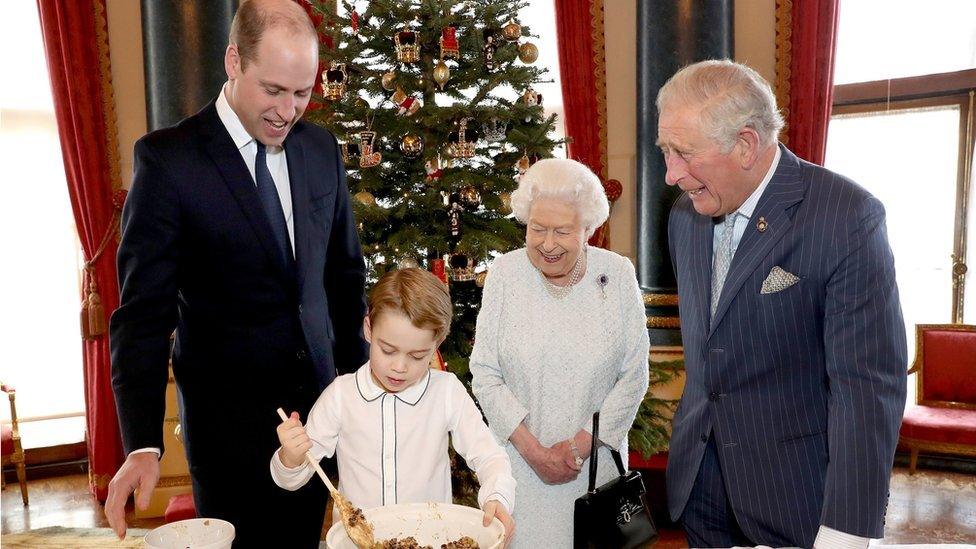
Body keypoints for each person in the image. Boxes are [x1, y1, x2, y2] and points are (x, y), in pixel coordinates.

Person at [104, 1, 369, 546]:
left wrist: (360, 396)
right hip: (229, 434)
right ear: (233, 61)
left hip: (320, 415)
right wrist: (141, 442)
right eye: (272, 90)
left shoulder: (320, 150)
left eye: (301, 93)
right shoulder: (169, 162)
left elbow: (344, 283)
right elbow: (143, 316)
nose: (287, 111)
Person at [658, 59, 907, 548]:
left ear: (746, 144)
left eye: (683, 154)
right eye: (665, 151)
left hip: (795, 500)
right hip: (700, 486)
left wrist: (846, 530)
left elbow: (867, 387)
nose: (670, 175)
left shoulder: (846, 217)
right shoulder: (685, 216)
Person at [469, 158, 650, 547]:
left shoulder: (617, 276)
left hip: (594, 474)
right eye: (537, 229)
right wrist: (534, 452)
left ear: (588, 230)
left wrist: (576, 447)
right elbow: (484, 372)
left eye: (563, 231)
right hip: (518, 468)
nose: (548, 244)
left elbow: (634, 375)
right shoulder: (504, 274)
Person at [272, 268, 516, 547]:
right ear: (368, 329)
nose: (399, 367)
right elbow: (291, 479)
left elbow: (490, 456)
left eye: (416, 356)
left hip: (429, 540)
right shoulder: (341, 395)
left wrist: (497, 495)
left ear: (437, 344)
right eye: (387, 350)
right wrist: (290, 458)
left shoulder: (446, 392)